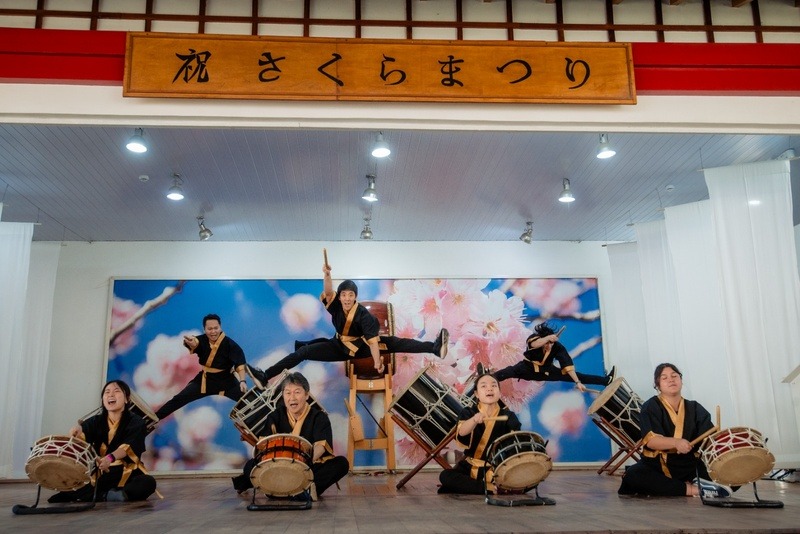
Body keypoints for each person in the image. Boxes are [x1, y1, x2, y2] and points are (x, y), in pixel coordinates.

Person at [248, 262, 449, 385]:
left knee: (397, 343)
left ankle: (434, 348)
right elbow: (328, 292)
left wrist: (377, 362)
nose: (346, 298)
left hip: (359, 348)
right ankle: (265, 376)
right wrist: (327, 275)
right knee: (303, 352)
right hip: (338, 345)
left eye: (350, 295)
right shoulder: (336, 305)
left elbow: (373, 343)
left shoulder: (363, 315)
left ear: (355, 297)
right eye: (343, 294)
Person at [617, 363, 729, 498]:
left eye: (674, 376)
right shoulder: (651, 406)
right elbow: (651, 441)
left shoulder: (694, 407)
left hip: (689, 464)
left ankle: (691, 484)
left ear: (681, 380)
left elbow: (709, 440)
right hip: (658, 465)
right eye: (664, 378)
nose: (671, 380)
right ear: (657, 385)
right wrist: (676, 443)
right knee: (634, 475)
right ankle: (693, 489)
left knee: (729, 472)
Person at [231, 372, 349, 498]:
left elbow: (321, 446)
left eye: (297, 392)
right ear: (283, 396)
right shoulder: (275, 416)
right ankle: (292, 490)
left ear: (306, 395)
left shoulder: (319, 417)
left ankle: (293, 491)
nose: (292, 397)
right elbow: (264, 447)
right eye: (288, 393)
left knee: (341, 464)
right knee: (250, 465)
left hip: (308, 467)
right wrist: (282, 464)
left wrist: (300, 464)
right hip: (279, 467)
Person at [48, 380, 157, 503]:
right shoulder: (96, 421)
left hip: (127, 472)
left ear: (127, 399)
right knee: (75, 481)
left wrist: (109, 459)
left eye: (116, 391)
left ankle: (95, 495)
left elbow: (128, 447)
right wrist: (76, 432)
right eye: (107, 392)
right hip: (101, 472)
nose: (111, 395)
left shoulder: (136, 422)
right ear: (103, 400)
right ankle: (108, 496)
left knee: (147, 482)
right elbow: (82, 436)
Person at [438, 366, 522, 494]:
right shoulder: (469, 412)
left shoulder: (508, 415)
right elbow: (461, 433)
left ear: (499, 392)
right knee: (445, 476)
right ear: (476, 394)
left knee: (528, 478)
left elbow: (516, 442)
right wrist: (474, 420)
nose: (489, 388)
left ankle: (478, 487)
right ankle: (487, 488)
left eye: (494, 386)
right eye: (484, 386)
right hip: (470, 467)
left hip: (498, 468)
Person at [155, 313, 248, 420]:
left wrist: (242, 381)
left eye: (216, 328)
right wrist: (192, 344)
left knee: (248, 401)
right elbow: (195, 342)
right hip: (205, 380)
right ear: (204, 329)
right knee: (180, 398)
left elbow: (240, 363)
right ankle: (153, 419)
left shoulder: (230, 344)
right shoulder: (202, 340)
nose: (213, 331)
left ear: (220, 327)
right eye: (210, 329)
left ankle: (260, 426)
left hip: (227, 381)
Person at [493, 322, 613, 392]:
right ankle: (488, 378)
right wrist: (547, 338)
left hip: (547, 372)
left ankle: (606, 381)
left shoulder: (557, 347)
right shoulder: (534, 339)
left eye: (551, 343)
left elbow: (567, 364)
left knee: (579, 376)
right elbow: (535, 344)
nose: (549, 346)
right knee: (507, 372)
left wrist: (577, 382)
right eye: (547, 343)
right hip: (526, 368)